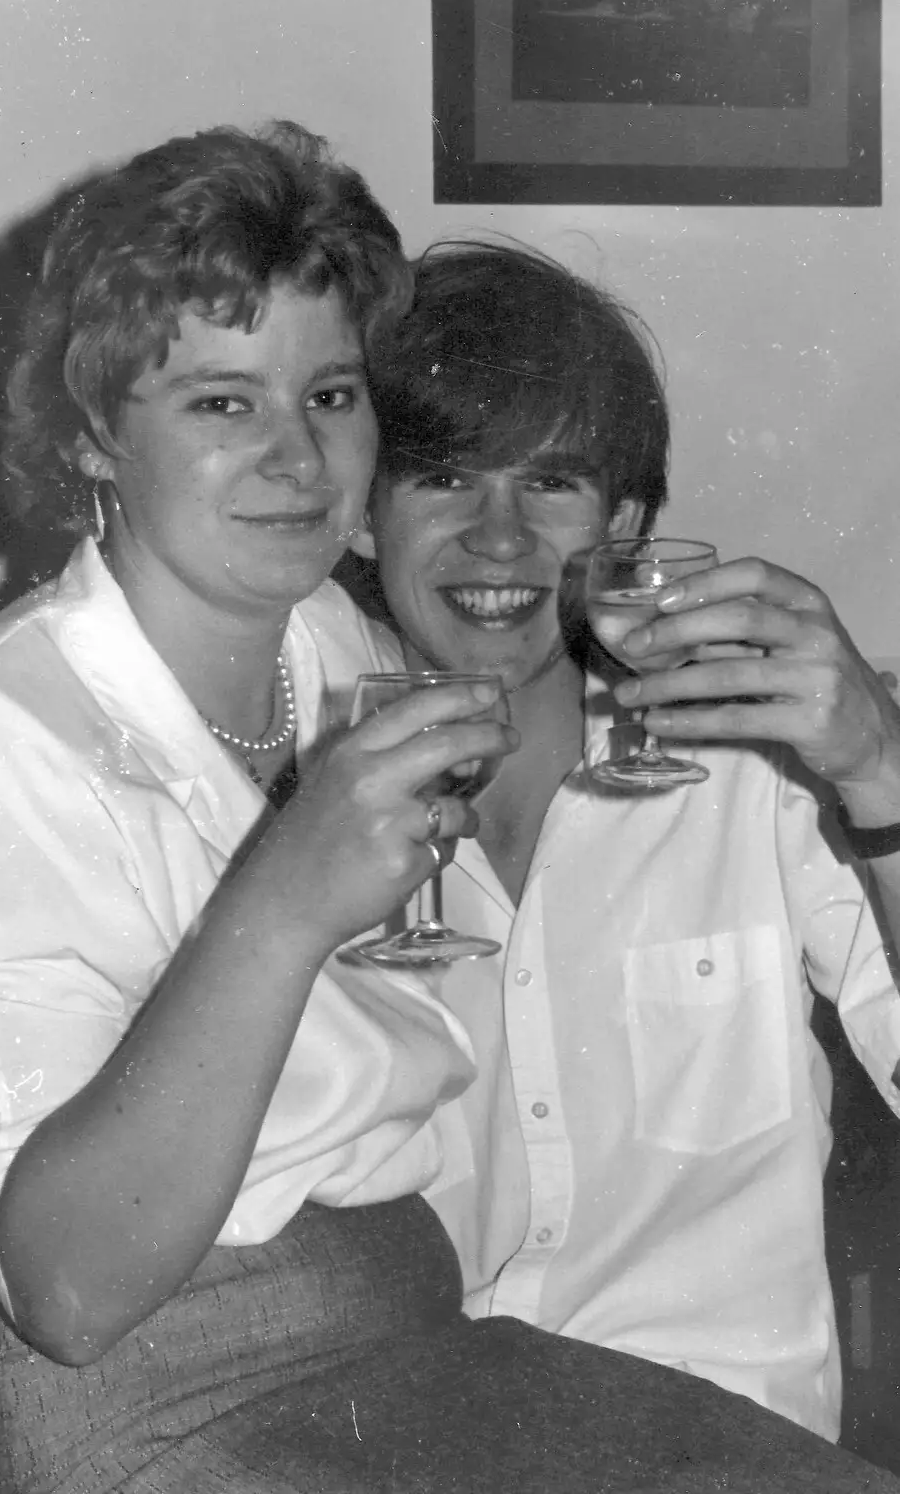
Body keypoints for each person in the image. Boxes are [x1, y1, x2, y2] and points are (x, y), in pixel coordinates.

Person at [0, 130, 895, 1494]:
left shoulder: (333, 671)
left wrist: (882, 768)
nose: (295, 456)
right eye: (222, 404)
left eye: (331, 395)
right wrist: (288, 894)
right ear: (96, 435)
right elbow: (62, 1287)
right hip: (194, 1412)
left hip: (499, 1381)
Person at [353, 235, 900, 1451]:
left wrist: (882, 768)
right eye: (444, 476)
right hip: (424, 1454)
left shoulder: (754, 768)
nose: (497, 541)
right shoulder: (298, 818)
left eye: (549, 483)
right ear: (359, 511)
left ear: (627, 523)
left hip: (728, 1448)